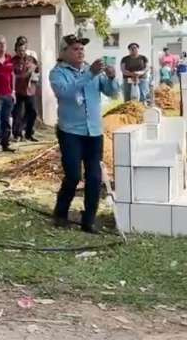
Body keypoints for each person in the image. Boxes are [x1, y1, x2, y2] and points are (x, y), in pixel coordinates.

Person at [50, 35, 118, 233]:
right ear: (64, 53)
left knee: (95, 177)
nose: (80, 52)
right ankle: (61, 213)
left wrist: (112, 78)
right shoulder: (57, 73)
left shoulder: (93, 70)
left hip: (94, 131)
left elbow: (112, 93)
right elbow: (66, 94)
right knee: (72, 175)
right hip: (70, 131)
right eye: (75, 49)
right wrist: (89, 74)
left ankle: (89, 220)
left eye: (82, 49)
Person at [12, 40, 40, 142]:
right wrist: (22, 76)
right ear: (16, 51)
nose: (21, 52)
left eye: (23, 50)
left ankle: (29, 133)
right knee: (17, 113)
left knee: (32, 112)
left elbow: (37, 70)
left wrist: (34, 72)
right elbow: (12, 75)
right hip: (18, 90)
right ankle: (17, 134)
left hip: (30, 90)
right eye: (19, 50)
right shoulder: (13, 61)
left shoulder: (31, 59)